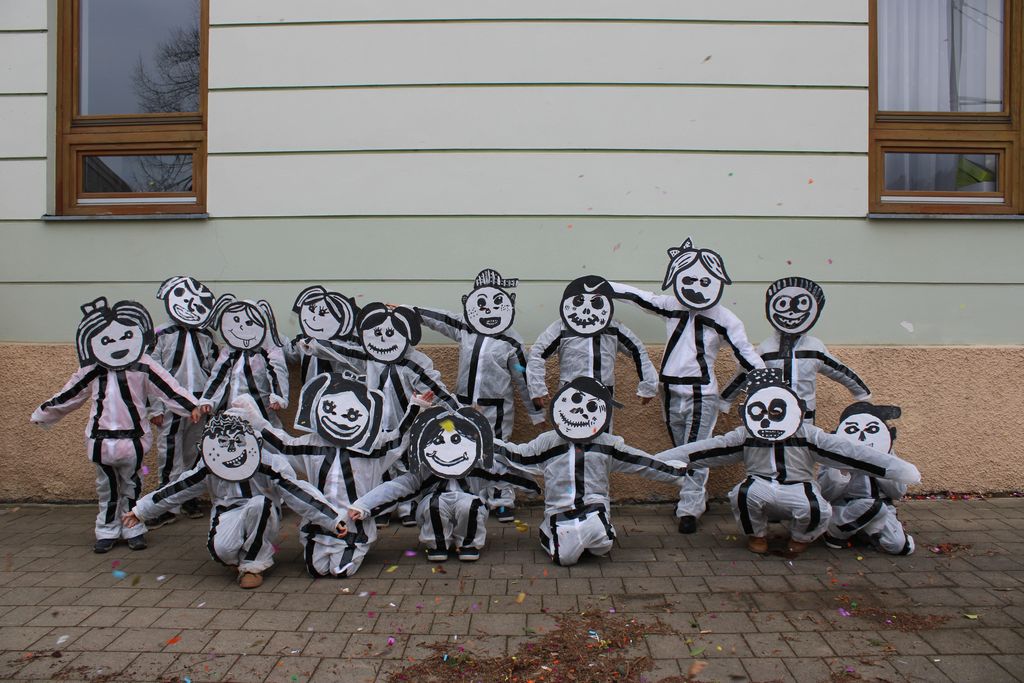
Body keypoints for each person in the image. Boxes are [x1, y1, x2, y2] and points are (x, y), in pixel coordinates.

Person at [656, 369, 920, 555]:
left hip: (799, 487)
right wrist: (659, 461)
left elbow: (849, 451)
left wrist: (896, 468)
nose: (768, 418)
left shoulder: (809, 435)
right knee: (742, 494)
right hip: (760, 484)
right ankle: (757, 536)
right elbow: (708, 449)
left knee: (816, 508)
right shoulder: (746, 435)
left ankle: (800, 538)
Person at [608, 238, 764, 534]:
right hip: (669, 392)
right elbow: (641, 298)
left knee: (695, 451)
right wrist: (605, 286)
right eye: (689, 279)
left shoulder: (725, 319)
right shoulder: (672, 305)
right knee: (680, 450)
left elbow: (745, 353)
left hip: (701, 394)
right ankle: (694, 497)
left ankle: (689, 508)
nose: (695, 286)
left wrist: (765, 381)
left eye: (704, 280)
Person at [31, 297, 200, 553]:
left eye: (126, 336)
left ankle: (133, 528)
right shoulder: (93, 370)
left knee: (132, 485)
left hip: (133, 438)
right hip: (101, 439)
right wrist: (44, 412)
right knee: (107, 488)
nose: (118, 345)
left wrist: (191, 406)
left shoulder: (143, 365)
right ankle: (107, 529)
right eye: (107, 340)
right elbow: (70, 394)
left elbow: (168, 387)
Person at [230, 377, 430, 578]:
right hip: (318, 522)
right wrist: (254, 420)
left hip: (353, 522)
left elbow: (397, 440)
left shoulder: (372, 447)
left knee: (340, 570)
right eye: (331, 409)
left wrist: (417, 407)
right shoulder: (314, 443)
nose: (340, 418)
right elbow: (283, 444)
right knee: (316, 569)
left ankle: (348, 548)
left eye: (352, 414)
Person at [123, 413, 347, 588]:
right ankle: (237, 558)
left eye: (238, 440)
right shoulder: (211, 465)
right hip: (226, 512)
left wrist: (332, 519)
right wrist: (142, 510)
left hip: (262, 511)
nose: (232, 448)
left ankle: (253, 565)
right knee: (221, 550)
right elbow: (180, 488)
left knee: (260, 504)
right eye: (224, 441)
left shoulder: (269, 464)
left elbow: (298, 492)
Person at [493, 378, 688, 566]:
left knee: (603, 541)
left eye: (592, 407)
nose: (580, 410)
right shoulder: (548, 442)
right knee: (565, 558)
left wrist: (673, 471)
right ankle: (551, 532)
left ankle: (585, 536)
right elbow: (518, 455)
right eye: (576, 400)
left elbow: (640, 461)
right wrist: (485, 442)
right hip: (560, 512)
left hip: (594, 509)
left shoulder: (608, 444)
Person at [300, 302, 459, 526]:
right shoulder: (370, 357)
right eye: (377, 333)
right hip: (375, 424)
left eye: (390, 333)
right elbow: (345, 352)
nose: (383, 338)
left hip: (406, 420)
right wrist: (316, 344)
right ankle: (380, 506)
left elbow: (435, 388)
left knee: (406, 462)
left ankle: (408, 506)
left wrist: (459, 413)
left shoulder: (414, 363)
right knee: (379, 463)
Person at [412, 268, 544, 522]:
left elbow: (522, 375)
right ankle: (471, 496)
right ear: (471, 303)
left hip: (497, 408)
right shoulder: (465, 328)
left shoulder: (511, 341)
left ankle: (502, 499)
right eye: (481, 303)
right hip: (463, 404)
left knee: (496, 451)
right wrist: (410, 312)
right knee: (465, 447)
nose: (488, 310)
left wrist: (536, 410)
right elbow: (439, 318)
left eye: (496, 303)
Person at [350, 406, 540, 562]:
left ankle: (468, 543)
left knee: (470, 505)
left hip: (468, 501)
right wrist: (364, 506)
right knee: (435, 505)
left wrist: (532, 487)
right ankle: (437, 543)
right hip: (434, 504)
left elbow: (505, 474)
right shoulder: (426, 469)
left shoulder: (478, 464)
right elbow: (398, 487)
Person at [720, 276, 871, 423]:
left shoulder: (814, 348)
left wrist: (861, 392)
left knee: (805, 440)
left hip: (805, 417)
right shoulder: (766, 349)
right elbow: (746, 374)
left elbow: (839, 370)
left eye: (802, 304)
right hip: (774, 418)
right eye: (783, 304)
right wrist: (725, 399)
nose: (792, 312)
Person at [526, 275, 658, 432]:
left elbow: (638, 350)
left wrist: (648, 384)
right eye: (579, 301)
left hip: (603, 394)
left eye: (596, 302)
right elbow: (537, 353)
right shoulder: (561, 328)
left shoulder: (614, 328)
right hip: (570, 394)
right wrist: (537, 388)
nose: (587, 309)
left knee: (603, 440)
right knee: (570, 434)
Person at [149, 275, 220, 525]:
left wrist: (211, 401)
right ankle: (167, 503)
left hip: (199, 402)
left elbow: (214, 369)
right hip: (171, 402)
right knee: (169, 453)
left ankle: (189, 496)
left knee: (195, 451)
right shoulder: (160, 334)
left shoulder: (205, 335)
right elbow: (151, 372)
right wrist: (155, 408)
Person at [818, 402, 915, 555]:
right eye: (853, 430)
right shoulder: (834, 454)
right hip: (846, 508)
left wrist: (882, 464)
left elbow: (898, 492)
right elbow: (825, 493)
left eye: (870, 430)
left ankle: (866, 530)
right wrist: (842, 467)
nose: (862, 437)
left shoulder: (888, 454)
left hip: (881, 507)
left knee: (899, 545)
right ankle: (834, 531)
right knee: (871, 507)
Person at [200, 297, 289, 428]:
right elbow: (219, 374)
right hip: (232, 404)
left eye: (248, 322)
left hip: (260, 404)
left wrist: (278, 395)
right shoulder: (231, 347)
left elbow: (277, 368)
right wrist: (208, 399)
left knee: (264, 431)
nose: (241, 326)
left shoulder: (267, 343)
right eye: (236, 320)